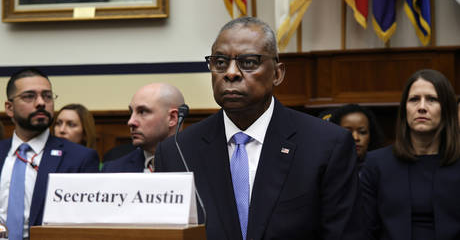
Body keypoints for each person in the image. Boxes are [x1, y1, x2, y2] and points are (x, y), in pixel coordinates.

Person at [155, 17, 362, 240]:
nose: (231, 73)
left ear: (277, 73)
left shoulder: (327, 145)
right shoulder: (177, 151)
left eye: (249, 62)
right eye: (220, 62)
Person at [360, 69, 460, 240]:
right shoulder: (375, 164)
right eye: (414, 99)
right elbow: (364, 230)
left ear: (447, 109)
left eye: (432, 99)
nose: (421, 107)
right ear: (404, 108)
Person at [0, 68, 99, 240]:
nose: (41, 103)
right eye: (29, 96)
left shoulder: (79, 158)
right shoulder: (2, 152)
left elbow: (86, 226)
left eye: (47, 96)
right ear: (9, 108)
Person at [102, 83, 185, 173]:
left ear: (172, 118)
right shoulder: (112, 170)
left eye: (142, 112)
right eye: (131, 112)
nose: (130, 122)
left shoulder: (199, 163)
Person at [330, 104, 385, 169]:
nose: (356, 138)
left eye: (362, 132)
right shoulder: (326, 170)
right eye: (348, 133)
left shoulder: (383, 167)